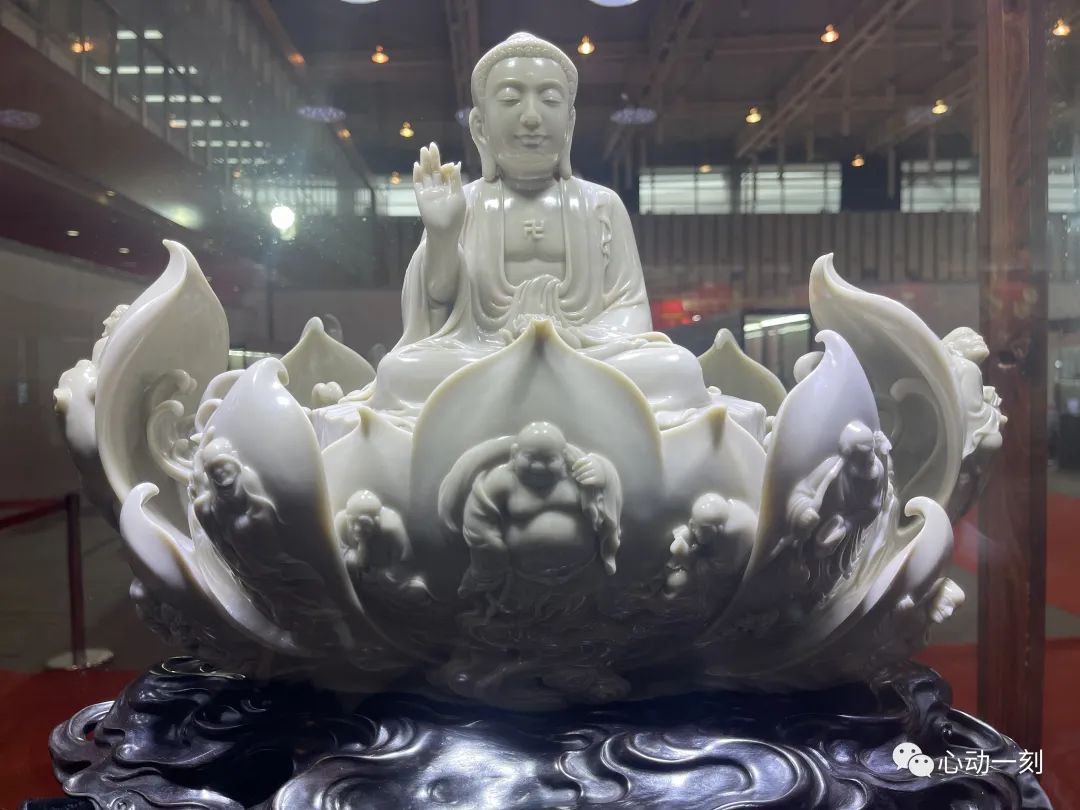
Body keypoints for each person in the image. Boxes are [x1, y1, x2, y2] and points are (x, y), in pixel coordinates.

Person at [352, 33, 752, 431]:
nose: (531, 117)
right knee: (401, 371)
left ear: (570, 122)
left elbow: (630, 308)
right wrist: (442, 234)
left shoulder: (602, 205)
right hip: (484, 354)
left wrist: (576, 340)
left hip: (585, 355)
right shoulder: (465, 204)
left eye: (549, 99)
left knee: (675, 367)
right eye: (511, 99)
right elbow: (437, 304)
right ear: (480, 125)